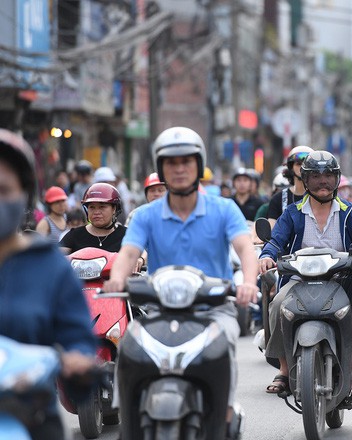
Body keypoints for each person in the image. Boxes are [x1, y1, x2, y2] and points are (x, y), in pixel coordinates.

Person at [103, 126, 259, 423]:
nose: (178, 169)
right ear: (161, 169)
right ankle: (130, 420)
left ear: (198, 165)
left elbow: (245, 249)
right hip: (160, 310)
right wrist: (118, 277)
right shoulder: (146, 215)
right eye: (171, 163)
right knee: (129, 346)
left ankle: (223, 416)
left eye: (186, 161)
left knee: (225, 345)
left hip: (214, 310)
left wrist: (248, 283)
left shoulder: (224, 209)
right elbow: (127, 254)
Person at [259, 150, 352, 394]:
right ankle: (284, 370)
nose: (322, 181)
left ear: (337, 180)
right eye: (315, 176)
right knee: (277, 306)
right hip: (299, 279)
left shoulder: (351, 211)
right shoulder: (293, 213)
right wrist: (266, 255)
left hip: (343, 279)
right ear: (305, 181)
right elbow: (275, 241)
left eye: (328, 175)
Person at [0, 129, 96, 440]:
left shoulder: (50, 267)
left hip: (31, 416)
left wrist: (79, 363)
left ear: (25, 194)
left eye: (3, 189)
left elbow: (78, 339)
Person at [60, 182, 128, 255]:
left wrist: (141, 260)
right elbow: (55, 257)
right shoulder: (75, 235)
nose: (96, 212)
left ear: (114, 209)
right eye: (92, 207)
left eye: (102, 207)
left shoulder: (127, 235)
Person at [267, 145, 314, 225]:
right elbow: (272, 229)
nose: (303, 167)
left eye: (307, 164)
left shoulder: (321, 197)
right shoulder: (277, 199)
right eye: (298, 164)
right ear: (291, 167)